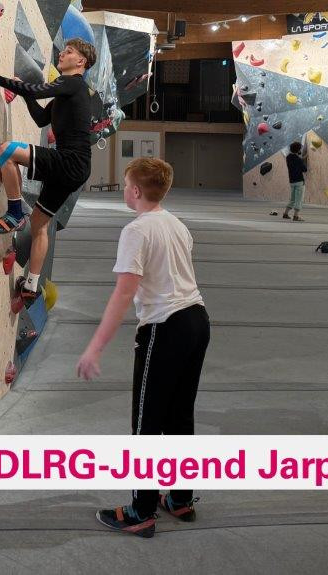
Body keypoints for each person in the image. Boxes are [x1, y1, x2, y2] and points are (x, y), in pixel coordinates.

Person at [75, 157, 208, 538]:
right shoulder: (177, 224)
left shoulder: (136, 230)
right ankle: (180, 498)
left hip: (166, 328)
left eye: (125, 185)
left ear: (135, 191)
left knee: (146, 424)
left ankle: (141, 511)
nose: (124, 190)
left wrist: (96, 346)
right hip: (197, 321)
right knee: (180, 418)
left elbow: (124, 292)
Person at [0, 37, 96, 308]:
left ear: (81, 62)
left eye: (69, 52)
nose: (62, 54)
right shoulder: (68, 93)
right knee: (40, 225)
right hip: (76, 168)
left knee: (6, 150)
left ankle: (15, 212)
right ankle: (30, 286)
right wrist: (25, 93)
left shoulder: (73, 83)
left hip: (69, 161)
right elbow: (41, 118)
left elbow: (37, 90)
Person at [281, 141, 307, 221]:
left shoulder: (288, 157)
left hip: (292, 181)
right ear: (298, 150)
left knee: (292, 199)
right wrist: (302, 160)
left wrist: (301, 158)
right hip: (299, 181)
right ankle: (296, 216)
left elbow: (295, 162)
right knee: (299, 199)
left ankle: (285, 213)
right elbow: (304, 169)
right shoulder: (298, 159)